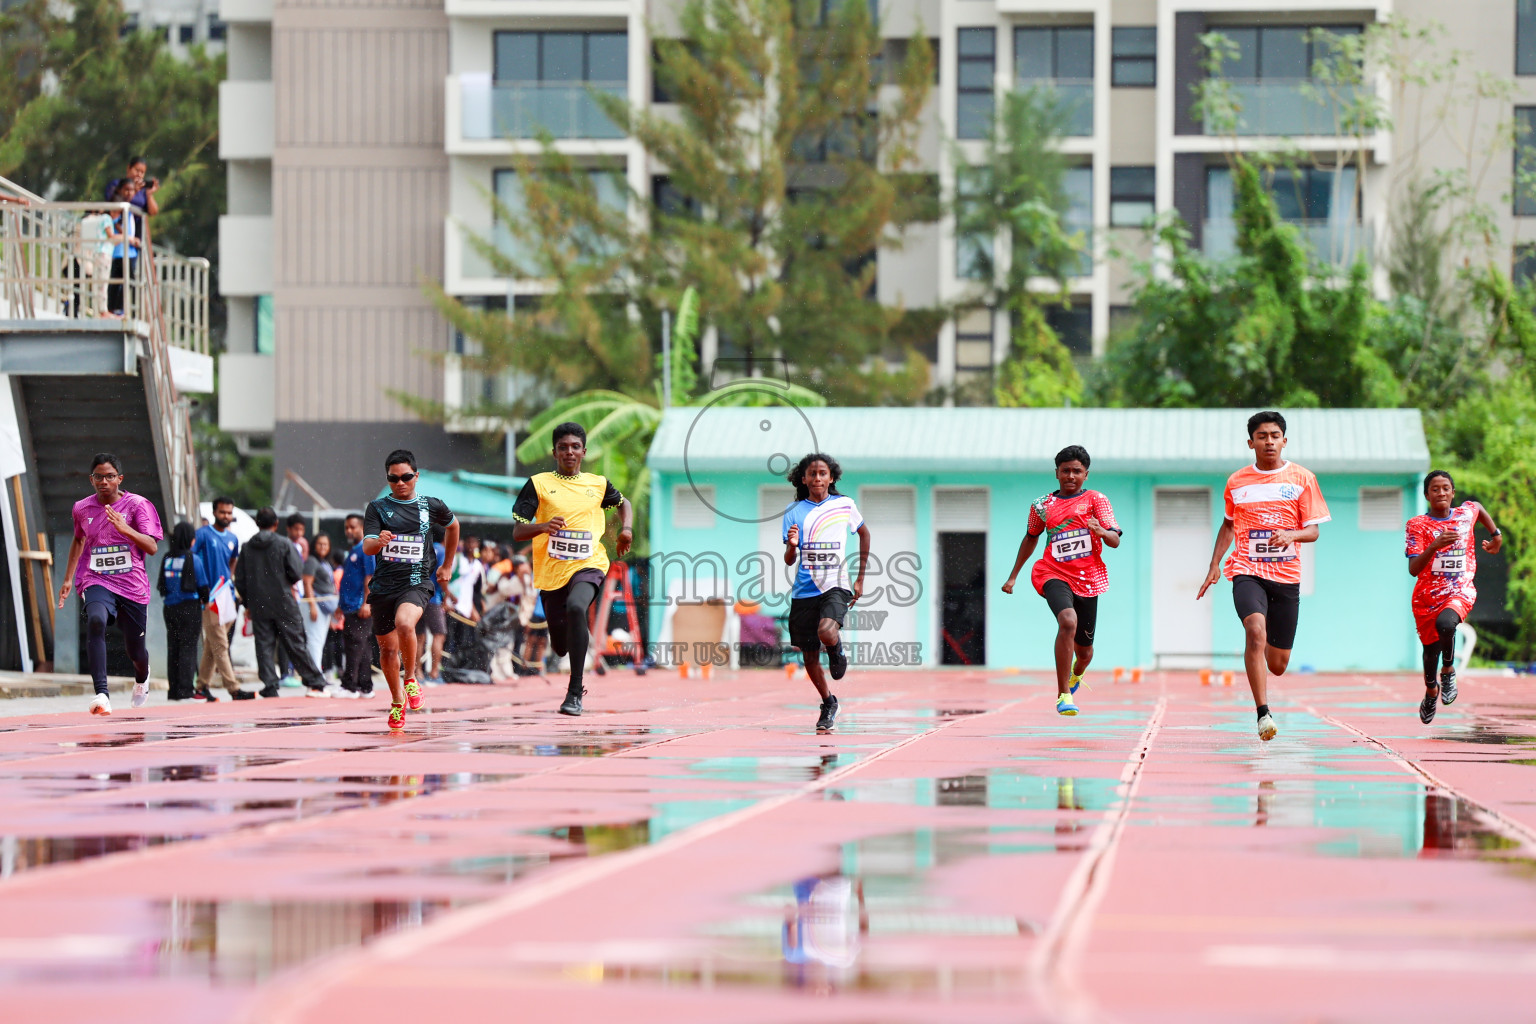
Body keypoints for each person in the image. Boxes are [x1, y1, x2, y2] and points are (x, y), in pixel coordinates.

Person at [1198, 411, 1331, 742]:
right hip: (1247, 570)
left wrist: (1292, 535)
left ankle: (1269, 669)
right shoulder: (1237, 482)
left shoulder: (1303, 479)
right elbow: (1229, 525)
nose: (1269, 441)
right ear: (1251, 442)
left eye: (1275, 435)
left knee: (1278, 664)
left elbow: (1313, 530)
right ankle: (1263, 713)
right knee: (1255, 631)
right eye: (1262, 436)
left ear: (1284, 440)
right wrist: (1215, 564)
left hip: (1286, 577)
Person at [511, 423, 633, 716]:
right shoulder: (538, 484)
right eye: (563, 447)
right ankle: (563, 641)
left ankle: (575, 691)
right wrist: (542, 526)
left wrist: (626, 529)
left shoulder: (598, 484)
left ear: (584, 452)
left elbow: (623, 502)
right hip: (552, 572)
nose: (569, 452)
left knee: (578, 608)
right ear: (554, 452)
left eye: (575, 447)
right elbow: (517, 532)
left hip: (590, 563)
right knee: (560, 645)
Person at [1001, 445, 1122, 716]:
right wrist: (1013, 576)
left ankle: (1076, 674)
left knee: (1086, 653)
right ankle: (1063, 695)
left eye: (1076, 471)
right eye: (1065, 470)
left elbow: (1114, 540)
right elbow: (1031, 537)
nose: (1070, 475)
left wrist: (1101, 531)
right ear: (1056, 473)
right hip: (1052, 572)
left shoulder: (1096, 500)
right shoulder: (1042, 505)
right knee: (1067, 620)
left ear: (1086, 475)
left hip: (1089, 578)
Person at [57, 453, 162, 715]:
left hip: (132, 585)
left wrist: (125, 529)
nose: (104, 482)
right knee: (95, 621)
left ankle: (141, 677)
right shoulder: (81, 508)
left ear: (120, 479)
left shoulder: (138, 505)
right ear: (91, 480)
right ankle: (102, 694)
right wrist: (69, 578)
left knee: (135, 650)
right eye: (98, 477)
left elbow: (151, 546)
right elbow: (79, 540)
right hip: (96, 579)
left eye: (110, 476)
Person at [362, 450, 459, 731]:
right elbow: (367, 545)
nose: (400, 483)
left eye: (406, 477)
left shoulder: (431, 506)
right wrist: (378, 541)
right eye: (393, 479)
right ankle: (396, 701)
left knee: (406, 624)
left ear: (416, 476)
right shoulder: (378, 508)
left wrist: (447, 565)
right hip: (383, 587)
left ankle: (412, 679)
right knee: (388, 652)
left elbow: (454, 527)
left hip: (416, 583)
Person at [782, 452, 871, 734]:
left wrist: (859, 579)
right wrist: (793, 545)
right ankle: (828, 702)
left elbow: (865, 534)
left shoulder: (844, 505)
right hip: (804, 590)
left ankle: (835, 648)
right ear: (804, 479)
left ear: (831, 478)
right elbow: (788, 559)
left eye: (823, 473)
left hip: (836, 583)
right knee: (808, 658)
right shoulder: (793, 511)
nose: (818, 478)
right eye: (812, 474)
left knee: (826, 631)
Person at [1405, 470, 1502, 724]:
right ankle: (1430, 690)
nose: (1441, 493)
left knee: (1446, 624)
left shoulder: (1464, 514)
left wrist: (1496, 535)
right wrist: (1434, 545)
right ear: (1427, 495)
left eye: (1446, 488)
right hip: (1427, 597)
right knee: (1429, 653)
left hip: (1460, 589)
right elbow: (1414, 569)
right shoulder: (1417, 525)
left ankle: (1448, 671)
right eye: (1435, 489)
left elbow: (1478, 507)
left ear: (1453, 493)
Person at [235, 507, 327, 699]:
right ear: (276, 524)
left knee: (264, 645)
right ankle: (314, 680)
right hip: (283, 601)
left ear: (257, 523)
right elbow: (295, 572)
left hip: (259, 603)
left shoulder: (247, 547)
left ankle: (270, 684)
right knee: (295, 642)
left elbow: (241, 579)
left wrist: (248, 602)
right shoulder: (284, 544)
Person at [193, 496, 242, 701]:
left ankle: (201, 686)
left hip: (226, 596)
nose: (226, 516)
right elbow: (192, 558)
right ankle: (234, 688)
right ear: (214, 513)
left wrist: (229, 580)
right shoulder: (203, 534)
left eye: (229, 513)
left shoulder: (233, 539)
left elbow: (233, 561)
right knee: (220, 643)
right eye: (222, 512)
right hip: (210, 597)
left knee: (213, 644)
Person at [158, 522, 208, 701]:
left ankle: (173, 690)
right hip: (189, 607)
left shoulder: (167, 558)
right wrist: (207, 600)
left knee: (174, 647)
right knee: (188, 647)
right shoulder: (193, 559)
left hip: (169, 608)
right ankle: (186, 689)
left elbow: (162, 584)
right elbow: (203, 586)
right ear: (190, 539)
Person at [337, 513, 376, 697]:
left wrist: (367, 603)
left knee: (354, 644)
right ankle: (365, 685)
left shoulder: (366, 550)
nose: (349, 531)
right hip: (350, 605)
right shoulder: (353, 551)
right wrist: (340, 604)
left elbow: (369, 578)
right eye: (346, 527)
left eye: (353, 527)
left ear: (362, 528)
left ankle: (349, 685)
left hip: (359, 605)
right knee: (362, 646)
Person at [302, 532, 340, 683]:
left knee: (321, 641)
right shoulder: (311, 561)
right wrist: (312, 605)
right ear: (314, 545)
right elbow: (307, 583)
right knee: (314, 641)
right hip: (316, 605)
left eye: (325, 544)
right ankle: (315, 675)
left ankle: (318, 672)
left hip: (326, 608)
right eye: (319, 544)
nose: (323, 547)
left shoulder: (325, 562)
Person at [105, 179, 141, 315]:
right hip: (119, 251)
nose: (129, 193)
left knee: (127, 281)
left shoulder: (130, 208)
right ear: (120, 190)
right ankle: (113, 308)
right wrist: (129, 238)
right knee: (118, 281)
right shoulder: (118, 206)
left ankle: (119, 308)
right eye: (126, 190)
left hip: (129, 252)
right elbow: (115, 224)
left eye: (132, 190)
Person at [103, 156, 160, 240]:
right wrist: (134, 190)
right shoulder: (117, 185)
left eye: (142, 172)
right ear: (129, 168)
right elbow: (115, 204)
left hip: (136, 233)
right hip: (117, 230)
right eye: (137, 170)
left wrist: (149, 194)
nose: (139, 174)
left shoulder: (142, 191)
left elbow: (153, 212)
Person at [416, 539, 448, 683]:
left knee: (419, 636)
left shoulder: (423, 547)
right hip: (433, 598)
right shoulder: (442, 551)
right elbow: (442, 576)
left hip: (417, 596)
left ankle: (416, 672)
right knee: (439, 634)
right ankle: (434, 672)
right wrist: (448, 596)